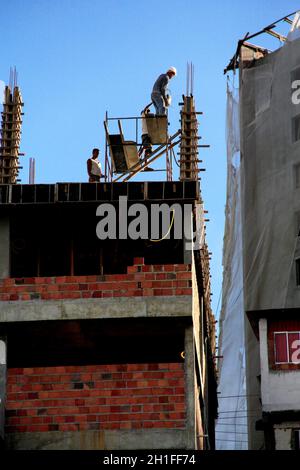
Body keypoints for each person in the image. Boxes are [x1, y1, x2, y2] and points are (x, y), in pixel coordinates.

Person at [139, 104, 154, 171]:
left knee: (147, 150)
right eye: (148, 111)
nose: (148, 112)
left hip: (147, 135)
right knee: (146, 148)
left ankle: (145, 166)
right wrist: (151, 103)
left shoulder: (146, 118)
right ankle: (138, 157)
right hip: (145, 135)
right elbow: (145, 109)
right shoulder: (143, 114)